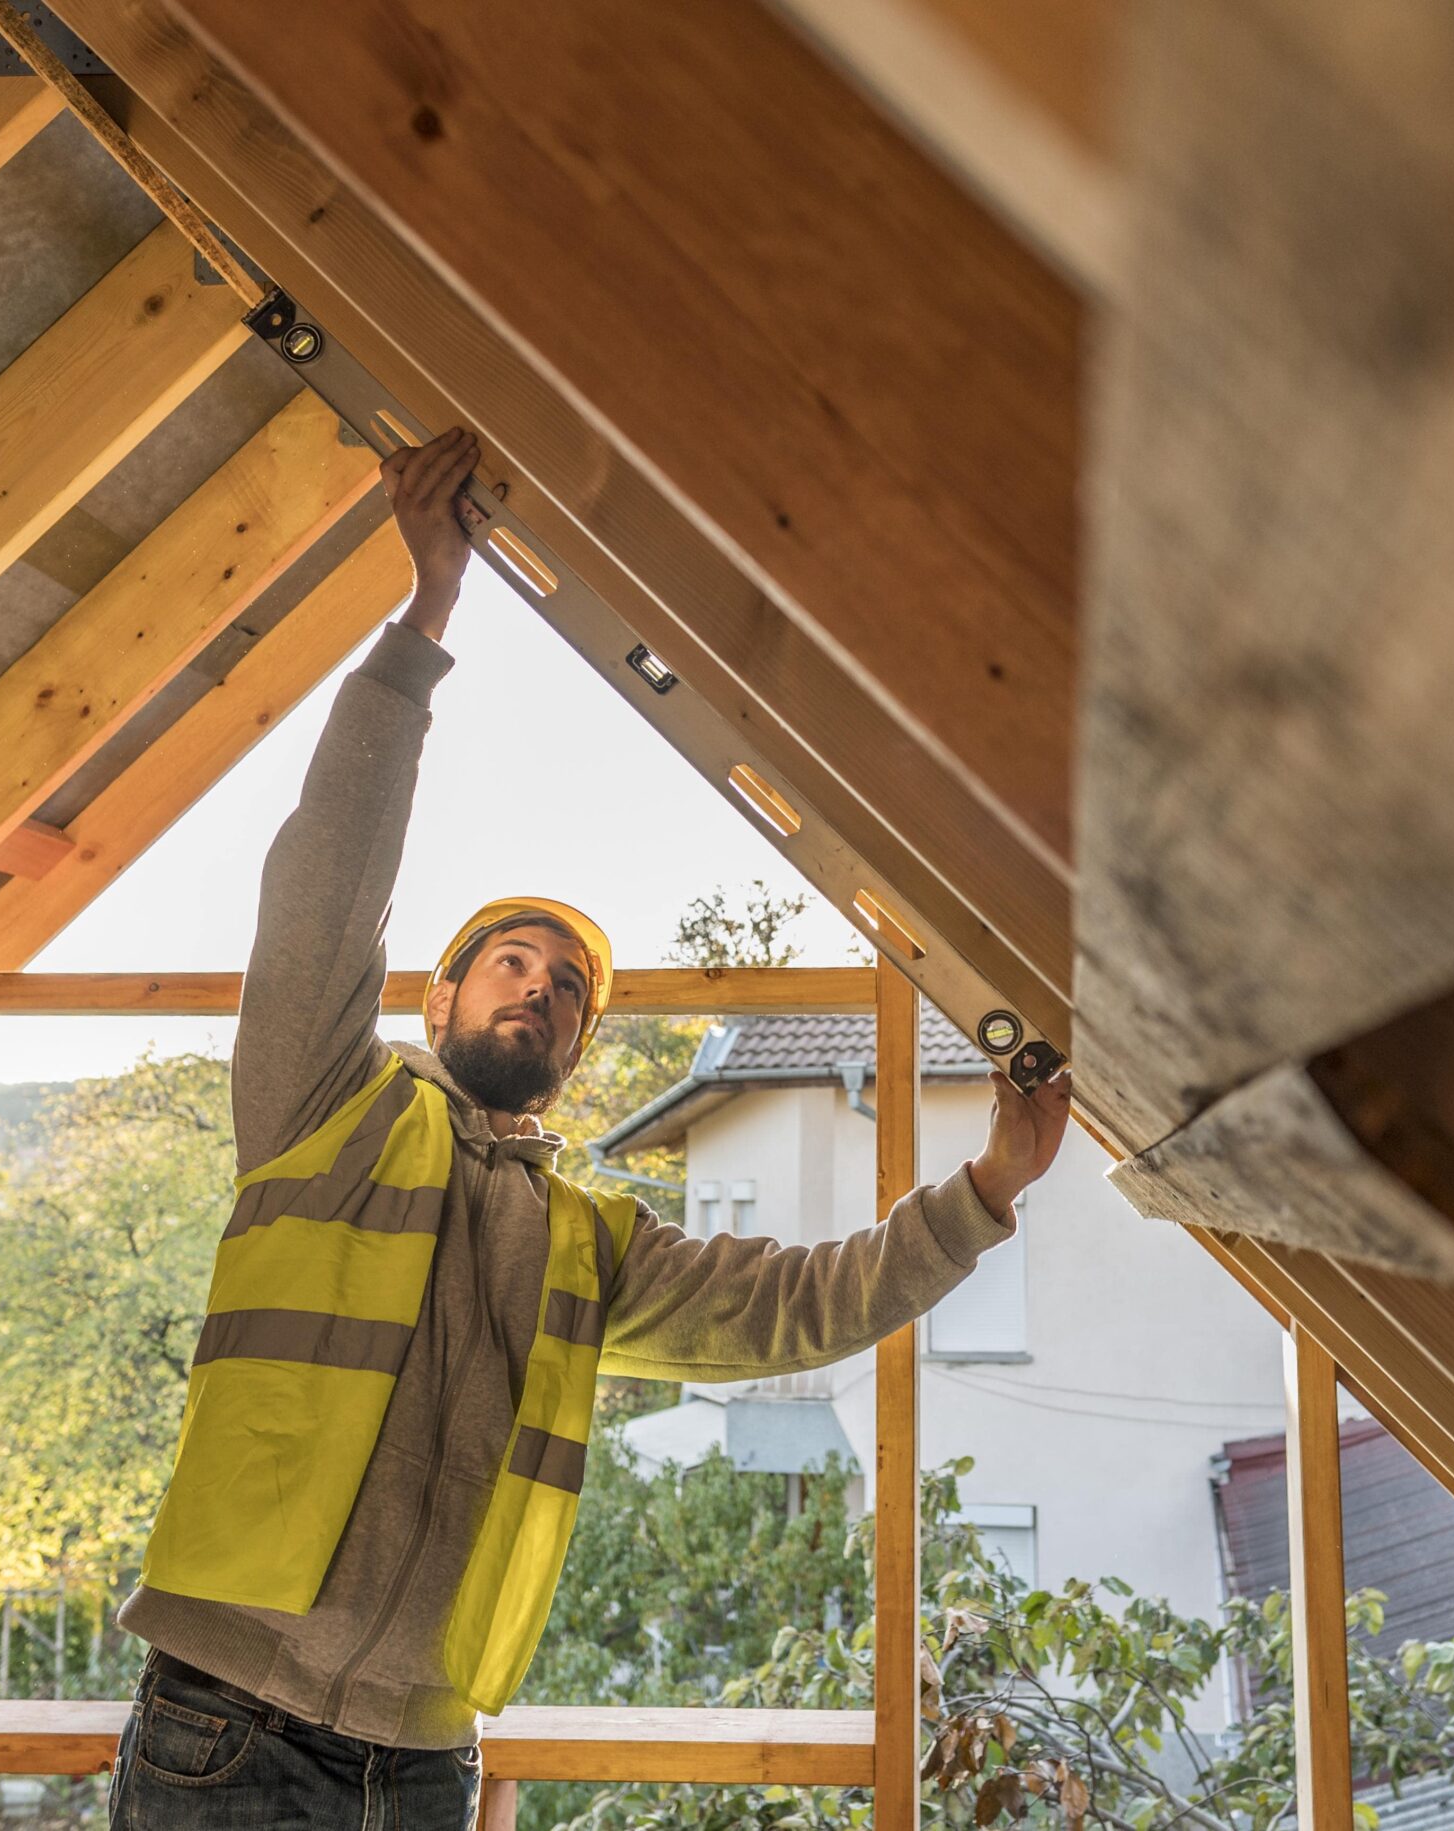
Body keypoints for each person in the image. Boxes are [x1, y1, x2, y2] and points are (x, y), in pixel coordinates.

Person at [107, 426, 1074, 1831]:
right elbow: (324, 883)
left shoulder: (587, 1241)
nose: (541, 990)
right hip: (227, 1725)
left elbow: (797, 1311)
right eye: (512, 961)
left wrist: (988, 1187)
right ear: (435, 994)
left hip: (426, 1763)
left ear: (572, 1052)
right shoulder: (325, 1108)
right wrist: (425, 622)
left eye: (567, 989)